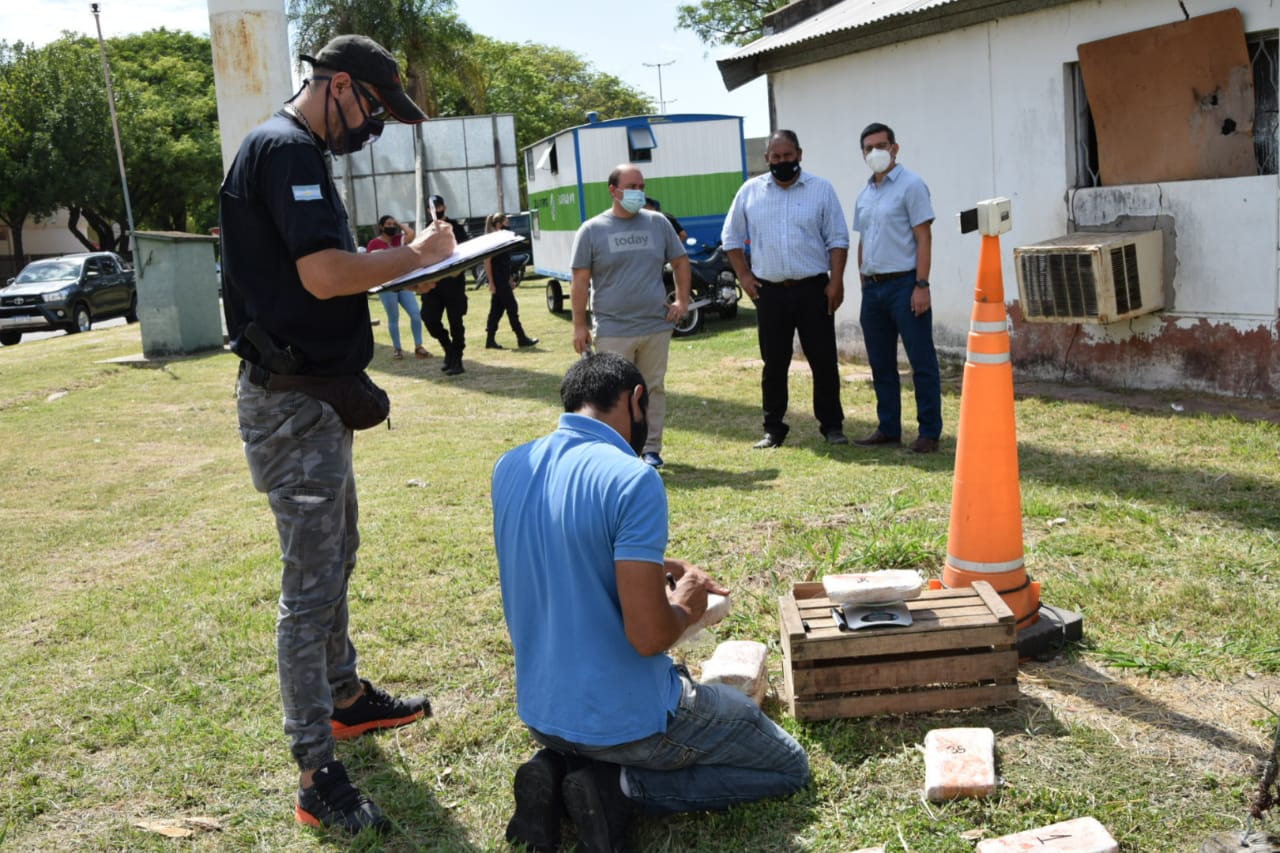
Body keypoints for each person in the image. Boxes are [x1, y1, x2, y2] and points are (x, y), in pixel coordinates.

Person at [219, 34, 458, 835]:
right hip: (292, 403)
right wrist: (410, 256)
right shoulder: (286, 151)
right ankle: (316, 768)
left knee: (338, 550)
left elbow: (317, 275)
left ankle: (346, 695)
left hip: (316, 395)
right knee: (311, 584)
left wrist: (398, 263)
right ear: (339, 86)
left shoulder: (295, 152)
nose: (373, 129)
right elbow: (324, 274)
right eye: (374, 112)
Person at [492, 352, 810, 853]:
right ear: (637, 400)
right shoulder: (633, 478)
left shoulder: (510, 466)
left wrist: (655, 564)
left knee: (611, 729)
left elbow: (566, 552)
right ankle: (618, 788)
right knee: (787, 765)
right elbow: (648, 637)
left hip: (543, 715)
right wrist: (688, 604)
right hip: (627, 724)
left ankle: (553, 770)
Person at [722, 129, 850, 449]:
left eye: (787, 156)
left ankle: (832, 426)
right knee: (774, 363)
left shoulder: (821, 190)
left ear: (799, 154)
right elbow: (731, 239)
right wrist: (745, 277)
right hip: (770, 292)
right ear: (767, 159)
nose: (782, 162)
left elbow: (838, 240)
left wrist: (836, 280)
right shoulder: (750, 192)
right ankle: (773, 428)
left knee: (823, 360)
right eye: (775, 157)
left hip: (814, 289)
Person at [570, 165, 691, 469]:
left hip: (655, 326)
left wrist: (681, 300)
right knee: (613, 394)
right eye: (631, 186)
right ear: (613, 190)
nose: (639, 192)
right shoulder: (592, 230)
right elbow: (580, 281)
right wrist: (579, 326)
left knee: (652, 389)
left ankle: (651, 450)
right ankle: (616, 452)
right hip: (613, 329)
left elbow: (680, 261)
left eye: (641, 186)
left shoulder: (658, 224)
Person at [851, 122, 941, 454]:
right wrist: (863, 280)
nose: (875, 153)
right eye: (868, 148)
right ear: (862, 154)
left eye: (881, 145)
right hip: (874, 290)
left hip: (906, 285)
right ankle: (889, 428)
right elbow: (863, 240)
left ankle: (929, 432)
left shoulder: (911, 186)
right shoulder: (865, 193)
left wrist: (922, 284)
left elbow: (924, 238)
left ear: (894, 148)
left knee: (921, 361)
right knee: (881, 364)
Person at [420, 195, 471, 375]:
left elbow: (467, 252)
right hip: (433, 286)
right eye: (433, 208)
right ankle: (449, 349)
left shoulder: (455, 228)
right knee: (429, 318)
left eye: (439, 206)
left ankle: (457, 359)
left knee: (456, 323)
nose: (437, 210)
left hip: (454, 284)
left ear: (445, 207)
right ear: (428, 210)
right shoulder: (426, 231)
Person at [367, 214, 430, 360]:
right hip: (387, 286)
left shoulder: (398, 239)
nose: (391, 227)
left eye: (392, 224)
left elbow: (411, 234)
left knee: (415, 314)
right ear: (381, 227)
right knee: (393, 318)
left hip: (404, 283)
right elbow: (370, 263)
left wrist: (398, 222)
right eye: (387, 224)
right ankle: (397, 349)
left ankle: (419, 346)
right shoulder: (374, 244)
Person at [483, 211, 538, 351]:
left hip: (503, 280)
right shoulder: (492, 240)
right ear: (498, 225)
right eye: (506, 223)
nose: (509, 226)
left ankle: (490, 340)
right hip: (498, 281)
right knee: (512, 308)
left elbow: (505, 263)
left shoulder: (503, 240)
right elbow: (487, 262)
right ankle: (521, 338)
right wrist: (492, 283)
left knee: (496, 310)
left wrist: (510, 279)